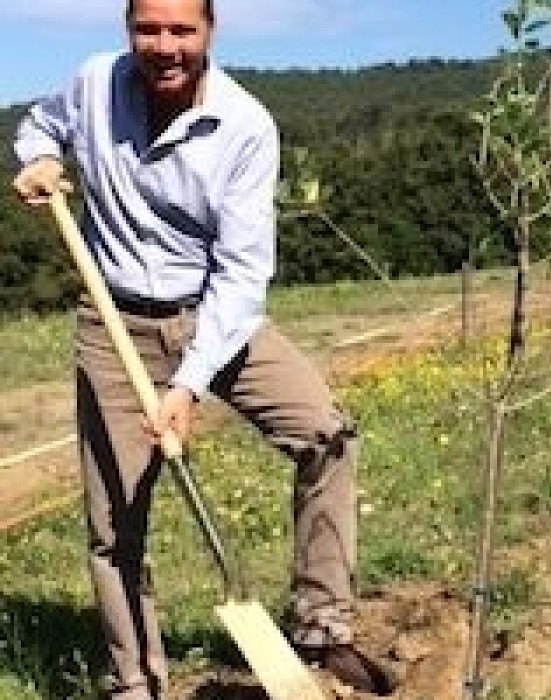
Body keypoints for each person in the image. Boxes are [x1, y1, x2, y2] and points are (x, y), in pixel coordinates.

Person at [13, 0, 397, 697]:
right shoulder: (95, 82)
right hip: (115, 323)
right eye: (148, 28)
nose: (165, 46)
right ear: (129, 29)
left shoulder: (245, 127)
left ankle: (324, 628)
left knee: (326, 434)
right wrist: (38, 157)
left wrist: (188, 384)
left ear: (210, 32)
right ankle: (137, 681)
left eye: (182, 29)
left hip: (216, 315)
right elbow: (41, 125)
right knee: (115, 523)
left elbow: (243, 275)